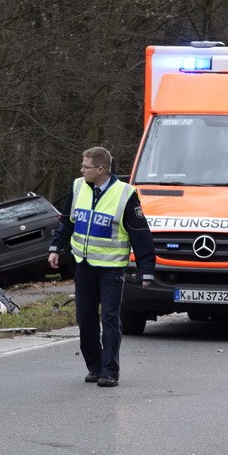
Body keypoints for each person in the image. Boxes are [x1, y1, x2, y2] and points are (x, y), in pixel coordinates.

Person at [48, 146, 155, 387]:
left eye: (85, 166)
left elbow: (140, 233)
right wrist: (55, 247)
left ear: (100, 169)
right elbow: (67, 222)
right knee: (85, 318)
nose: (81, 170)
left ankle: (109, 371)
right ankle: (94, 367)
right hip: (84, 266)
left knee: (109, 319)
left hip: (111, 269)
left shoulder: (125, 194)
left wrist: (147, 268)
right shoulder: (78, 187)